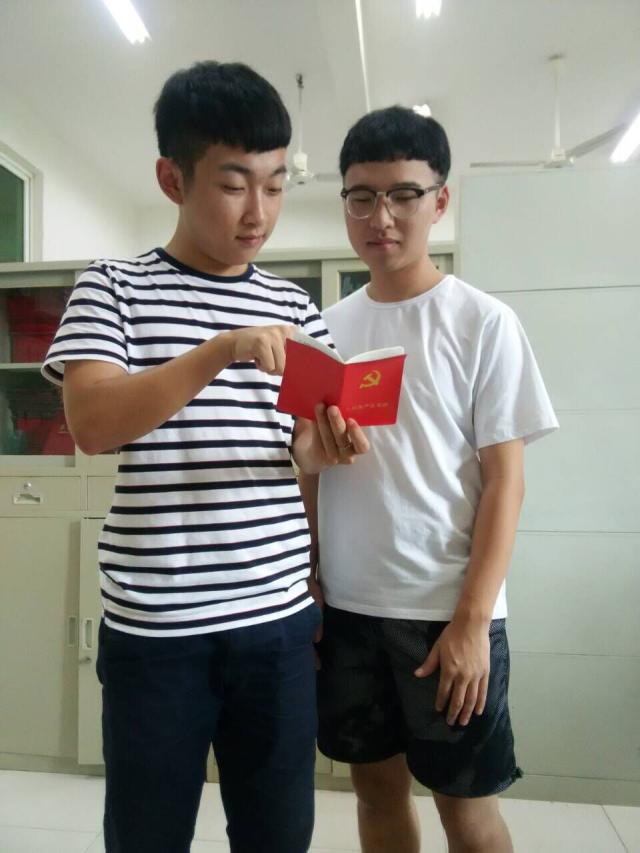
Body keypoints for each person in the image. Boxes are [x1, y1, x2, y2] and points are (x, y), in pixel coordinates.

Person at [42, 60, 368, 853]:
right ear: (172, 179)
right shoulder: (112, 288)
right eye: (233, 184)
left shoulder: (294, 305)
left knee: (278, 836)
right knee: (148, 836)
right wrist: (220, 350)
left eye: (275, 185)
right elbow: (94, 424)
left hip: (276, 623)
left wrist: (324, 445)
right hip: (158, 630)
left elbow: (297, 449)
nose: (260, 212)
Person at [300, 106, 559, 853]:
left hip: (447, 613)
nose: (380, 217)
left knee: (467, 812)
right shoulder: (325, 329)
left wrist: (472, 622)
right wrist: (309, 578)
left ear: (438, 201)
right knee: (375, 795)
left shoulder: (483, 323)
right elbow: (310, 474)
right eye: (361, 196)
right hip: (348, 609)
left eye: (403, 195)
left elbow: (505, 482)